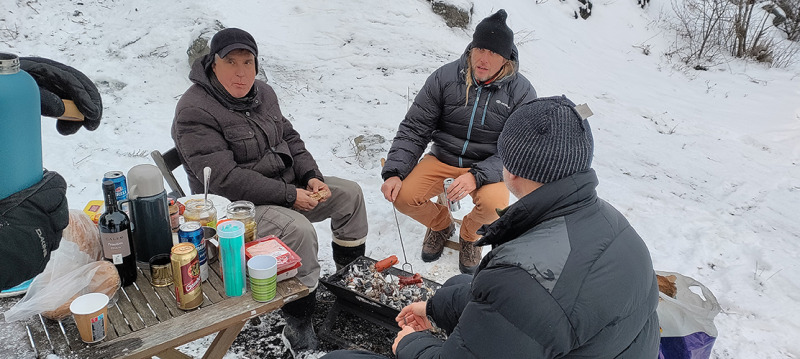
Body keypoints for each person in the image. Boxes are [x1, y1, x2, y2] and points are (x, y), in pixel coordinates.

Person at [325, 96, 660, 358]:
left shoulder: (526, 278)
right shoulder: (614, 224)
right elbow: (506, 299)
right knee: (461, 283)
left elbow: (518, 295)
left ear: (511, 169)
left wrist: (412, 345)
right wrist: (433, 307)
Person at [171, 28, 368, 356]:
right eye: (231, 62)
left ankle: (350, 288)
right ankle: (299, 325)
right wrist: (290, 195)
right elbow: (224, 179)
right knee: (300, 231)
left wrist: (311, 176)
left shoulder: (263, 93)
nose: (241, 72)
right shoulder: (195, 110)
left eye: (248, 63)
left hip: (286, 187)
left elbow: (290, 138)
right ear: (212, 64)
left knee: (349, 194)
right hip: (238, 212)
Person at [380, 9, 537, 274]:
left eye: (493, 53)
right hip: (443, 157)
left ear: (506, 58)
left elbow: (518, 149)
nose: (483, 59)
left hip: (489, 166)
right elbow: (415, 127)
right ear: (472, 47)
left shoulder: (521, 92)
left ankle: (471, 235)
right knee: (403, 197)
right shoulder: (445, 77)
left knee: (495, 207)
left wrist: (477, 176)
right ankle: (441, 225)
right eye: (480, 49)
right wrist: (394, 171)